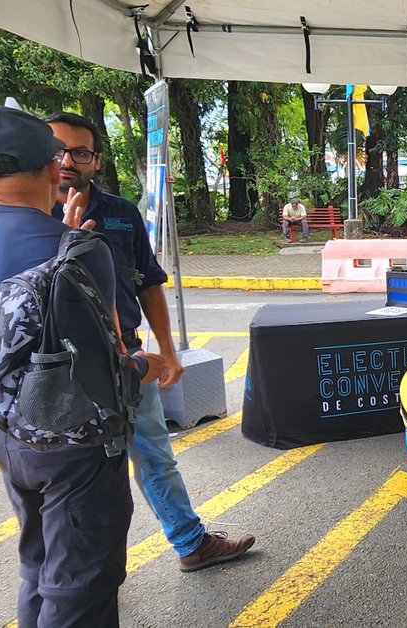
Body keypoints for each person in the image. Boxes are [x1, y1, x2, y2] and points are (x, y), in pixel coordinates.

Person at [0, 106, 166, 627]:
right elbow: (111, 365)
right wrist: (150, 364)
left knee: (37, 570)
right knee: (81, 586)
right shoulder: (78, 248)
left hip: (7, 435)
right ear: (50, 167)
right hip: (76, 446)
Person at [46, 112, 255, 573]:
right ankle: (85, 571)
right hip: (64, 378)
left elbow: (149, 284)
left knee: (156, 459)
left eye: (79, 152)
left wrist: (168, 350)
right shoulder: (29, 219)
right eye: (56, 149)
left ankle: (191, 544)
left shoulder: (121, 216)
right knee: (79, 476)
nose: (66, 160)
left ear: (95, 161)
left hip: (130, 366)